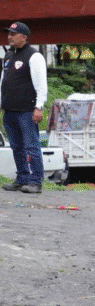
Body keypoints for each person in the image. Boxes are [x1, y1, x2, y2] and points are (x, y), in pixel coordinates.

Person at [1, 21, 48, 194]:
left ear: (24, 37)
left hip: (27, 111)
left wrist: (39, 107)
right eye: (9, 33)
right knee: (16, 147)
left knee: (31, 146)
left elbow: (41, 85)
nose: (9, 36)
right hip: (10, 111)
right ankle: (22, 178)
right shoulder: (9, 56)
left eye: (13, 34)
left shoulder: (34, 56)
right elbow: (3, 81)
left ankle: (35, 181)